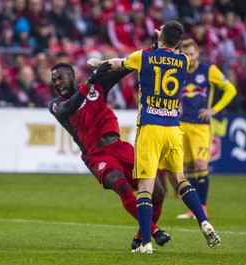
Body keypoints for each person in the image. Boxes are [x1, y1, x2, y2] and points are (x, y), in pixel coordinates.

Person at [89, 20, 221, 253]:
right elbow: (173, 47)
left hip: (150, 128)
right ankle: (204, 221)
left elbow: (119, 64)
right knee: (180, 179)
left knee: (145, 187)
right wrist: (166, 38)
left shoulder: (144, 57)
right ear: (179, 42)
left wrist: (98, 63)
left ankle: (146, 243)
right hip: (173, 128)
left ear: (160, 38)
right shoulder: (184, 60)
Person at [49, 62, 171, 250]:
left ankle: (140, 238)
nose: (57, 82)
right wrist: (89, 82)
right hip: (96, 155)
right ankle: (153, 231)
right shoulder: (56, 105)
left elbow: (127, 67)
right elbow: (69, 109)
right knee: (121, 185)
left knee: (159, 191)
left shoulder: (97, 87)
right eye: (54, 80)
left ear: (71, 76)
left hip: (119, 147)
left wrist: (152, 51)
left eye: (60, 77)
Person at [177, 38, 237, 219]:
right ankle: (192, 209)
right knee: (189, 166)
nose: (189, 58)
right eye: (186, 55)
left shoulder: (208, 70)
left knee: (201, 163)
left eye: (192, 54)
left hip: (201, 126)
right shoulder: (179, 71)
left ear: (198, 54)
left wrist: (214, 110)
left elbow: (230, 90)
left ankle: (202, 207)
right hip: (182, 124)